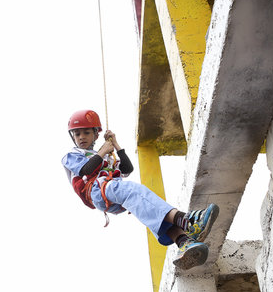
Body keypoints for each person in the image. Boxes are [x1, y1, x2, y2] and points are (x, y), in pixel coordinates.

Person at [61, 109, 219, 270]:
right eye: (77, 134)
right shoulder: (72, 155)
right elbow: (86, 170)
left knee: (150, 208)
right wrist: (102, 151)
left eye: (86, 133)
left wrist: (116, 145)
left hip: (113, 195)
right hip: (98, 190)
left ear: (95, 134)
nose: (81, 137)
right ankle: (189, 221)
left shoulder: (103, 155)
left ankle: (184, 243)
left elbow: (127, 169)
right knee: (135, 190)